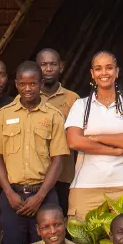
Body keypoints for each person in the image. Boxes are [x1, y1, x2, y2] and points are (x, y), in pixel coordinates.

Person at [0, 61, 70, 244]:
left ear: (41, 84)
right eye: (23, 84)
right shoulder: (3, 115)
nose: (27, 89)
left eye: (33, 84)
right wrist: (9, 193)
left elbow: (58, 160)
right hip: (12, 196)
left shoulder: (54, 116)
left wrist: (40, 196)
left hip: (44, 195)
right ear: (16, 84)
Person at [64, 51, 123, 222]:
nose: (104, 73)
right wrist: (115, 150)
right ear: (92, 73)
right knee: (84, 238)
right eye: (98, 68)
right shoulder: (80, 106)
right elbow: (74, 141)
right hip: (86, 187)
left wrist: (95, 138)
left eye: (109, 68)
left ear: (117, 72)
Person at [36, 48, 80, 215]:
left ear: (61, 67)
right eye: (43, 65)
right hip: (36, 175)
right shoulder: (26, 98)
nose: (48, 69)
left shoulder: (73, 99)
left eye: (53, 64)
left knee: (61, 219)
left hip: (64, 174)